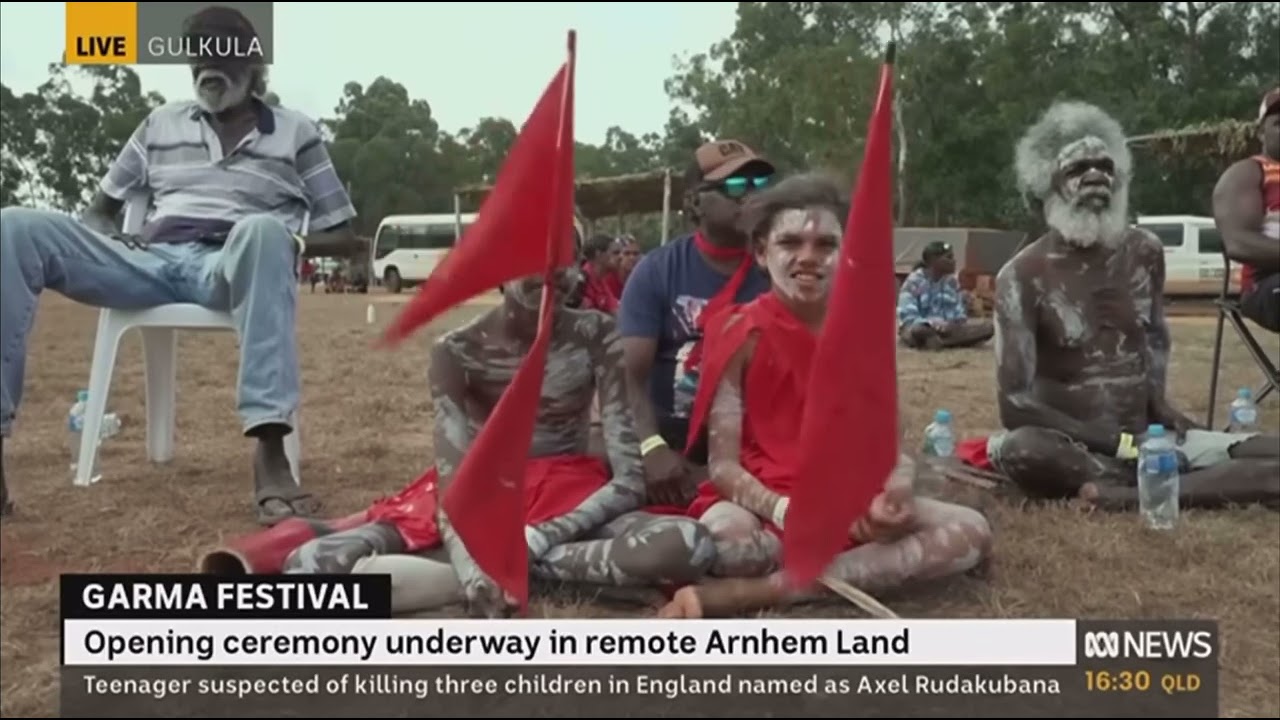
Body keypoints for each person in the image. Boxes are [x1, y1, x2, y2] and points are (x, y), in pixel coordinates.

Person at [0, 6, 359, 523]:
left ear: (255, 67)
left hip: (231, 262)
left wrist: (284, 242)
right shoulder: (160, 124)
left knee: (261, 231)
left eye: (222, 53)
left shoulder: (294, 131)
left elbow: (341, 232)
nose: (207, 66)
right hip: (149, 261)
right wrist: (120, 242)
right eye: (198, 56)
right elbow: (100, 210)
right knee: (13, 227)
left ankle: (271, 455)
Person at [653, 173, 993, 619]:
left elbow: (889, 449)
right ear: (761, 252)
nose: (807, 258)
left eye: (825, 245)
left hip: (853, 504)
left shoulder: (866, 332)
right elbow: (722, 466)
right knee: (731, 548)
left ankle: (763, 593)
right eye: (790, 243)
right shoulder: (739, 331)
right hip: (765, 503)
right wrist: (786, 510)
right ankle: (806, 572)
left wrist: (895, 491)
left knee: (971, 530)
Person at [282, 270, 715, 618]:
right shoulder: (456, 349)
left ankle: (505, 569)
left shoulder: (595, 333)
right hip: (478, 495)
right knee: (308, 564)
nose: (553, 274)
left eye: (566, 258)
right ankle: (497, 572)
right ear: (500, 272)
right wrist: (471, 571)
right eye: (532, 259)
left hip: (568, 490)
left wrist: (539, 538)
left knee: (686, 543)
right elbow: (454, 484)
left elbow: (628, 481)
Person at [988, 101, 1280, 510]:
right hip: (1076, 446)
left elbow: (1154, 340)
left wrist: (1158, 405)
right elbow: (1015, 404)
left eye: (1105, 167)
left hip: (1150, 436)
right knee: (1022, 448)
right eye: (1077, 169)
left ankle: (1129, 491)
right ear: (1046, 187)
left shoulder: (1145, 252)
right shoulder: (1021, 276)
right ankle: (1163, 480)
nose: (1096, 176)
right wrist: (1113, 443)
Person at [619, 140, 775, 509]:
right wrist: (651, 447)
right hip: (671, 443)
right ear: (694, 202)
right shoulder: (657, 271)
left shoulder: (782, 268)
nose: (750, 196)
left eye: (758, 185)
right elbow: (626, 375)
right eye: (734, 187)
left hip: (755, 446)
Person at [1212, 87, 1280, 333]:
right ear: (1261, 132)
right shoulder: (1247, 173)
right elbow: (1239, 243)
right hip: (1265, 284)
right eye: (1279, 123)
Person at [897, 241, 994, 350]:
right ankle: (946, 341)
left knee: (988, 328)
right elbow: (908, 314)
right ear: (933, 260)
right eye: (949, 258)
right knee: (918, 330)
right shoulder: (915, 281)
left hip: (947, 330)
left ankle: (937, 342)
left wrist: (950, 324)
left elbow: (959, 315)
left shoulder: (951, 283)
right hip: (921, 326)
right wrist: (931, 323)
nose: (953, 261)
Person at [578, 234, 623, 313]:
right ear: (598, 254)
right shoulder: (581, 283)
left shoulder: (600, 281)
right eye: (616, 253)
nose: (621, 257)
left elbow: (615, 310)